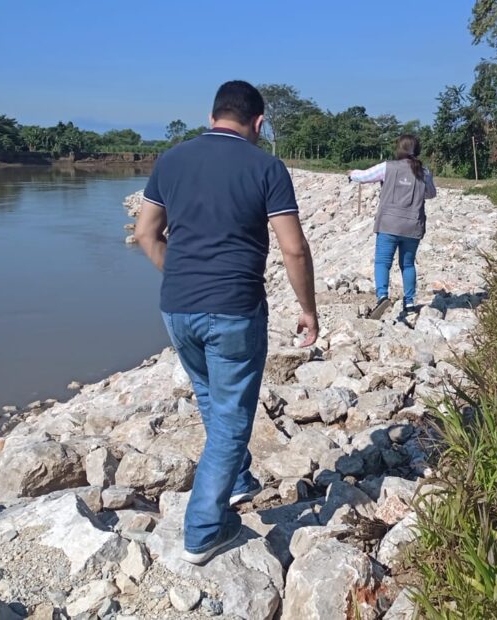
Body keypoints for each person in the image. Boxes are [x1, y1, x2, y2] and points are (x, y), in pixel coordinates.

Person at [135, 80, 318, 564]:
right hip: (235, 308)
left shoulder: (171, 160)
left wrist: (181, 275)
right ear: (258, 122)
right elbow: (294, 248)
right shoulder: (266, 167)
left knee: (209, 396)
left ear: (213, 116)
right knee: (233, 419)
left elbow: (145, 233)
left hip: (176, 307)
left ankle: (236, 481)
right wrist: (308, 308)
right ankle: (202, 530)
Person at [348, 134, 437, 320]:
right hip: (413, 225)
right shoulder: (424, 172)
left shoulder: (387, 167)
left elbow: (364, 176)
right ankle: (409, 302)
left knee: (382, 262)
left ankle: (382, 296)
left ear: (399, 149)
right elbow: (430, 194)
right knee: (408, 264)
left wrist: (351, 174)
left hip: (388, 224)